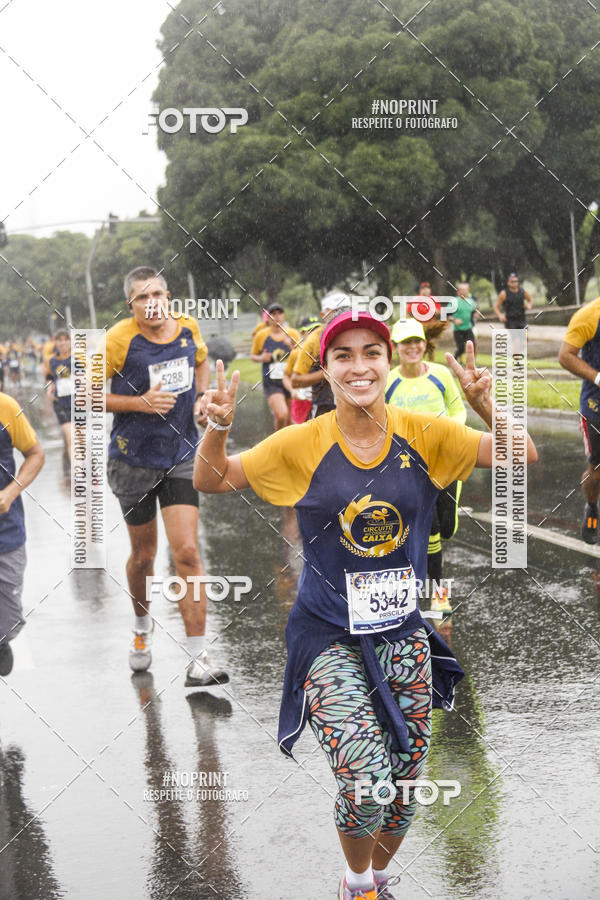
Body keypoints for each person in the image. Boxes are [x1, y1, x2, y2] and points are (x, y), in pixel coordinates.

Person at [194, 311, 537, 900]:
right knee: (365, 779)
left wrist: (487, 404)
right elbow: (212, 479)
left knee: (403, 785)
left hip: (403, 632)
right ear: (324, 370)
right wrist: (219, 427)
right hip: (326, 634)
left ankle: (375, 876)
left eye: (370, 353)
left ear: (387, 361)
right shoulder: (303, 441)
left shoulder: (423, 431)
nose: (359, 366)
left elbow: (520, 454)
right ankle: (357, 886)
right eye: (343, 355)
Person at [104, 266, 227, 686]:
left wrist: (202, 397)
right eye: (142, 297)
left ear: (169, 296)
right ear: (131, 305)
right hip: (132, 460)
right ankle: (142, 627)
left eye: (157, 293)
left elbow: (201, 362)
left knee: (188, 552)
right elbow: (86, 393)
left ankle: (199, 658)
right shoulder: (118, 340)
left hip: (181, 454)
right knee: (144, 557)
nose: (151, 302)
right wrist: (139, 403)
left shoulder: (188, 328)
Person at [386, 319, 467, 615]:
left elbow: (458, 411)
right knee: (429, 528)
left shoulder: (441, 375)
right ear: (395, 348)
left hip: (445, 460)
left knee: (446, 529)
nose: (411, 347)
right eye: (405, 342)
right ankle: (438, 593)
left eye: (416, 341)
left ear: (424, 344)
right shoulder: (389, 381)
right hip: (408, 466)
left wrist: (445, 433)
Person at [0, 393, 45, 675]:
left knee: (7, 620)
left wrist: (10, 493)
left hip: (6, 532)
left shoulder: (6, 407)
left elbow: (36, 454)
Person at [558, 297, 600, 543]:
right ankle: (592, 506)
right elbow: (565, 356)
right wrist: (597, 378)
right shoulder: (590, 315)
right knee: (596, 472)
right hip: (596, 406)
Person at [290, 291, 351, 417]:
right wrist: (326, 373)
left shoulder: (357, 333)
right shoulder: (314, 341)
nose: (342, 315)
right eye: (337, 311)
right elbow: (296, 381)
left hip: (352, 403)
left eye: (346, 310)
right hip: (324, 407)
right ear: (324, 315)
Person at [250, 302, 300, 431]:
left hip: (289, 380)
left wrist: (291, 346)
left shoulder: (293, 334)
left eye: (279, 313)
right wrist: (261, 358)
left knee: (289, 419)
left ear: (284, 316)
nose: (277, 316)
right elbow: (253, 356)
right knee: (281, 414)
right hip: (271, 381)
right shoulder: (262, 335)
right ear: (269, 317)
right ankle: (276, 442)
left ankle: (288, 447)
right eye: (273, 314)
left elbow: (302, 355)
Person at [283, 315, 320, 424]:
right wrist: (292, 391)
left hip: (321, 399)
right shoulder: (296, 353)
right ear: (302, 333)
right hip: (302, 399)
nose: (314, 334)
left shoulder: (326, 350)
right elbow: (286, 377)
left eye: (316, 330)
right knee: (302, 432)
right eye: (310, 331)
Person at [45, 330, 73, 463]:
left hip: (79, 402)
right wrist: (49, 388)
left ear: (70, 341)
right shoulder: (51, 361)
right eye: (60, 340)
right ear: (56, 343)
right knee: (71, 437)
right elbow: (49, 378)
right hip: (60, 402)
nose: (63, 343)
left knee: (81, 438)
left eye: (66, 339)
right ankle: (78, 472)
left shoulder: (79, 358)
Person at [452, 282, 479, 363]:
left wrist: (477, 314)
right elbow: (446, 314)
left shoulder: (471, 301)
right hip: (458, 330)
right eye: (462, 290)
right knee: (461, 348)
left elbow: (475, 310)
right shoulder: (454, 302)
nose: (464, 292)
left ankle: (472, 364)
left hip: (468, 328)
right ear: (458, 292)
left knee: (472, 346)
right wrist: (454, 319)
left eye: (466, 290)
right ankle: (454, 359)